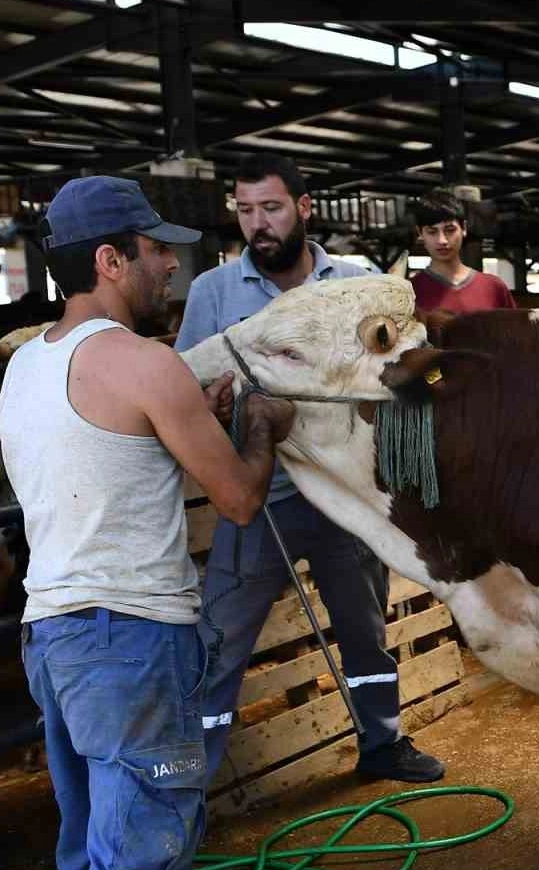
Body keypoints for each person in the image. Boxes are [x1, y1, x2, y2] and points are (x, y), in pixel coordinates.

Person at [0, 176, 293, 870]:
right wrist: (261, 426)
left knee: (91, 824)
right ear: (110, 260)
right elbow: (239, 498)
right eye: (156, 249)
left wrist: (176, 419)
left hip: (52, 633)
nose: (172, 263)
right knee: (147, 843)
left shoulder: (26, 365)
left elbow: (100, 450)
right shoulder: (143, 362)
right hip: (130, 638)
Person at [177, 153, 444, 784]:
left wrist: (426, 389)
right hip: (258, 495)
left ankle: (382, 743)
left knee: (364, 626)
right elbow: (183, 388)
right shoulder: (213, 294)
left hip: (346, 494)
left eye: (270, 208)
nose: (257, 224)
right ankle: (193, 777)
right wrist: (212, 409)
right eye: (245, 211)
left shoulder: (358, 283)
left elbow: (421, 368)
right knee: (221, 638)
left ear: (304, 207)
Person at [408, 190, 517, 313]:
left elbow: (513, 331)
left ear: (464, 228)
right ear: (420, 234)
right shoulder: (408, 293)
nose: (442, 240)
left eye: (450, 230)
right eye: (432, 232)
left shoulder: (494, 287)